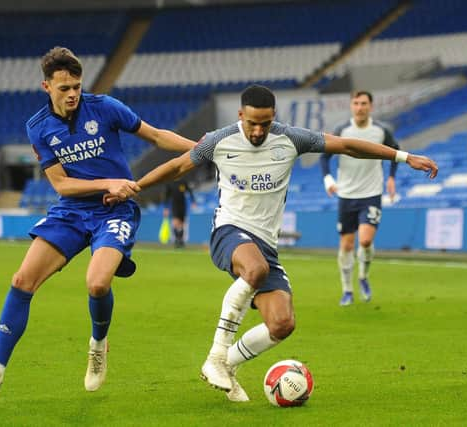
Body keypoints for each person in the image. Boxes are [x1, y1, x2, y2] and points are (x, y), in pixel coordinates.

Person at [110, 84, 437, 402]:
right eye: (252, 123)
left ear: (273, 117)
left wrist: (404, 157)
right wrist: (134, 187)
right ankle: (216, 355)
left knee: (282, 324)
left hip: (266, 243)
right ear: (240, 115)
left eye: (265, 124)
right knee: (254, 269)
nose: (257, 131)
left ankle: (227, 366)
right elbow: (177, 166)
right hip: (229, 231)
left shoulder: (291, 138)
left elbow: (348, 146)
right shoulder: (218, 141)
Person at [0, 46, 196, 398]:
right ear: (46, 86)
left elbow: (156, 135)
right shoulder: (38, 128)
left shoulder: (105, 107)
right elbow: (61, 184)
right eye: (64, 88)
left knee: (97, 284)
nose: (72, 94)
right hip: (71, 211)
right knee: (23, 280)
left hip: (115, 210)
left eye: (76, 87)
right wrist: (106, 181)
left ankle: (98, 345)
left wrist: (203, 147)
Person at [320, 90, 399, 306]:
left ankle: (363, 276)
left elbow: (396, 152)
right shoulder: (343, 130)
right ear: (351, 106)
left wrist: (391, 178)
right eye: (356, 103)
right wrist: (328, 179)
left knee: (365, 240)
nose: (360, 107)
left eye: (364, 103)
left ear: (370, 107)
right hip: (346, 195)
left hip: (371, 194)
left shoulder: (381, 131)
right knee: (346, 245)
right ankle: (347, 290)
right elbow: (324, 156)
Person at [163, 179, 195, 248]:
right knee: (176, 222)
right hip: (174, 205)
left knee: (182, 224)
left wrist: (193, 201)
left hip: (183, 205)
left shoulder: (183, 182)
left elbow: (189, 191)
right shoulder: (170, 183)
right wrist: (166, 208)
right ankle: (177, 240)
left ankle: (181, 241)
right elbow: (166, 196)